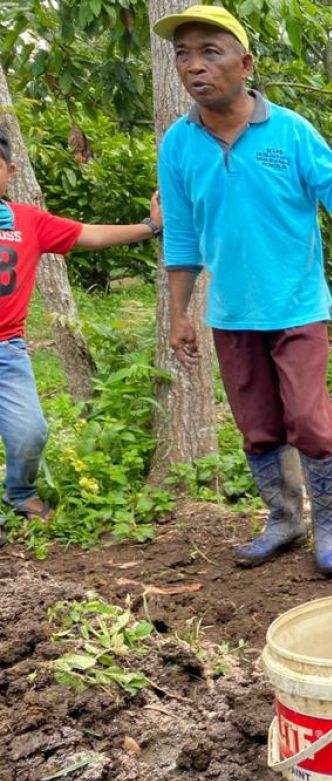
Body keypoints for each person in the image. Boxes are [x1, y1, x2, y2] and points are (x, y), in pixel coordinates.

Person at [152, 5, 332, 576]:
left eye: (209, 52)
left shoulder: (288, 131)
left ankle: (329, 523)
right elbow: (183, 235)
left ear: (245, 64)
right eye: (183, 55)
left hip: (296, 307)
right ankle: (285, 519)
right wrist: (180, 313)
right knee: (257, 425)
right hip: (233, 313)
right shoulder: (179, 146)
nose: (194, 66)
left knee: (309, 422)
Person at [0, 124, 162, 527]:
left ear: (11, 172)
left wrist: (151, 226)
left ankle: (20, 492)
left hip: (7, 351)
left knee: (30, 432)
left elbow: (88, 234)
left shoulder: (27, 221)